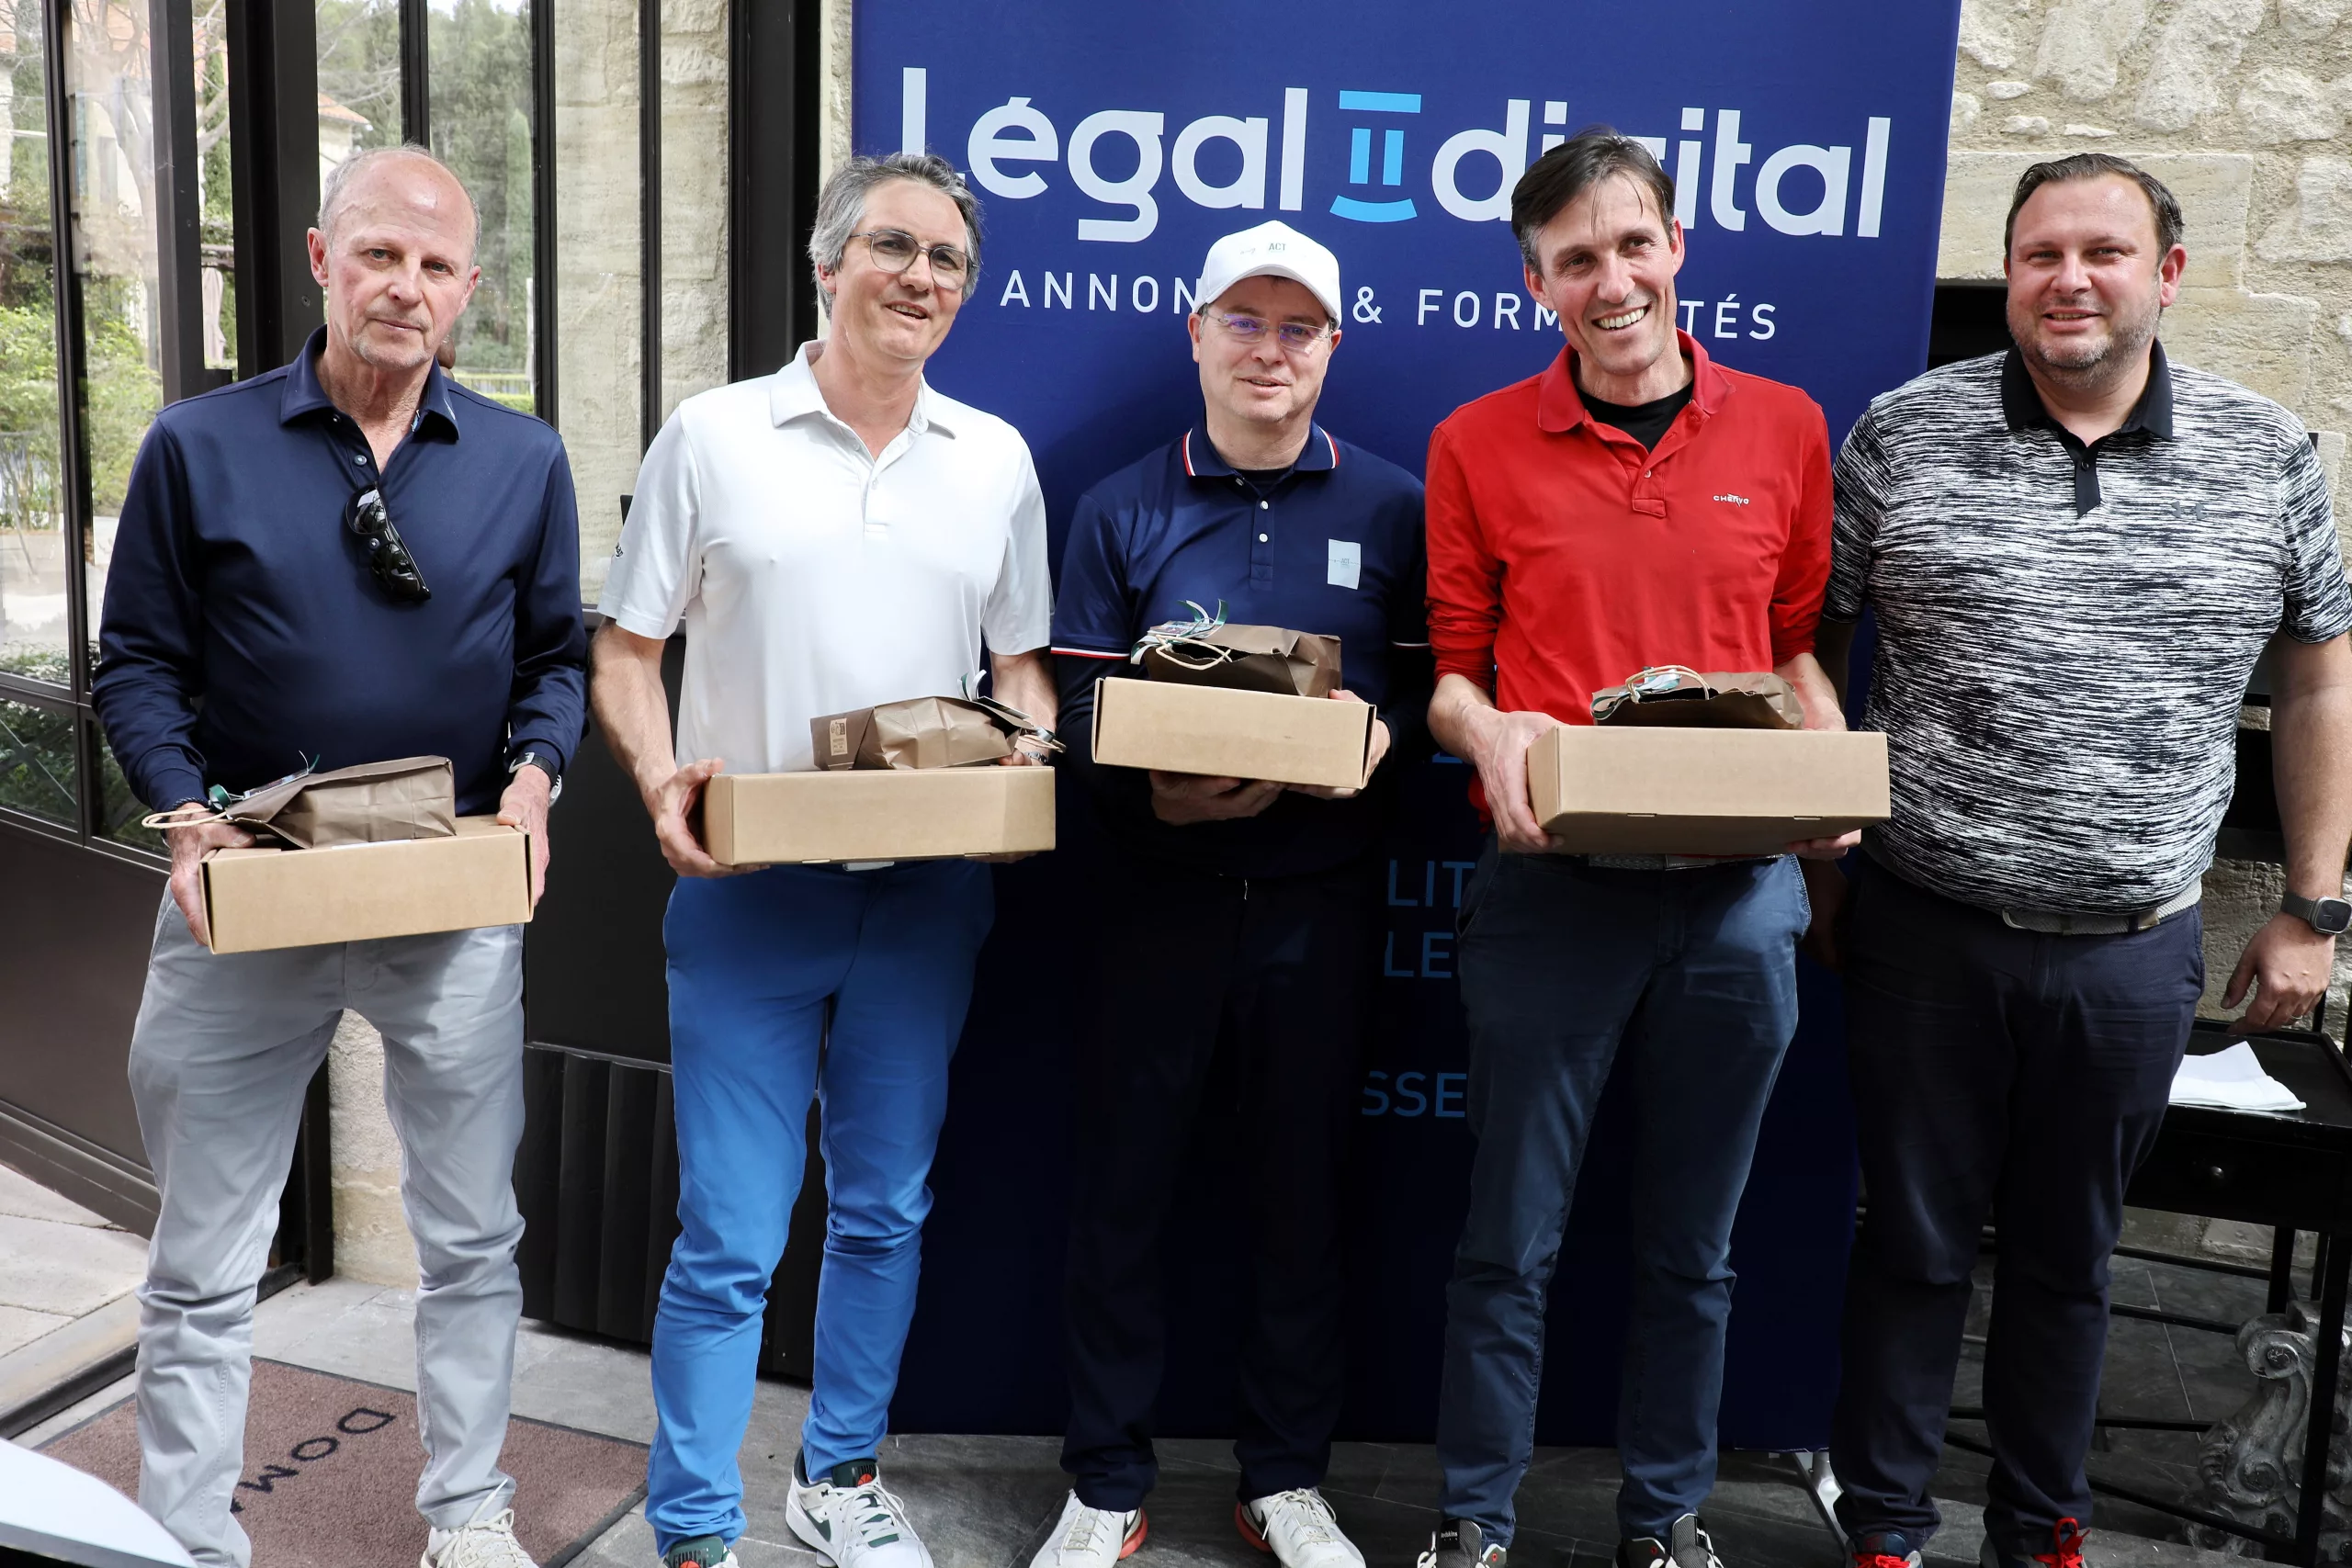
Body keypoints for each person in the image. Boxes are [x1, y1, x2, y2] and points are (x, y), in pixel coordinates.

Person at [1814, 152, 2352, 1568]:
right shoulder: (1900, 436)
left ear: (2165, 273)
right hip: (1922, 925)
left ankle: (2040, 1526)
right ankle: (1884, 1526)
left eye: (2104, 252)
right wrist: (1817, 858)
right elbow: (1811, 643)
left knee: (2069, 1257)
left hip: (2133, 945)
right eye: (2041, 253)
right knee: (1912, 1243)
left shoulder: (2266, 452)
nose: (2070, 279)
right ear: (2010, 272)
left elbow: (2319, 680)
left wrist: (2313, 907)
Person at [93, 145, 585, 1568]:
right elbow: (138, 662)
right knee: (203, 1255)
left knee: (473, 1237)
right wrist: (186, 814)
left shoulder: (524, 460)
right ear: (323, 258)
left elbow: (555, 658)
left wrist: (537, 781)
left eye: (435, 265)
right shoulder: (199, 446)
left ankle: (468, 1513)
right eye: (380, 253)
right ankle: (187, 1539)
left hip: (446, 890)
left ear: (468, 288)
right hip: (249, 888)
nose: (405, 287)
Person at [590, 151, 1056, 1568]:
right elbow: (626, 650)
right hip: (749, 894)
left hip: (926, 896)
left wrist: (1027, 749)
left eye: (949, 260)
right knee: (732, 1233)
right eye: (894, 247)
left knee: (885, 1208)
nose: (922, 277)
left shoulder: (995, 460)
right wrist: (661, 780)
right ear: (829, 262)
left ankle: (839, 1472)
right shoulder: (715, 435)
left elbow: (1021, 668)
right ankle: (694, 1522)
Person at [1418, 130, 1852, 1568]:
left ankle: (1666, 1520)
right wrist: (1487, 735)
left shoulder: (1785, 426)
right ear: (1535, 284)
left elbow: (1792, 647)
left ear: (1678, 246)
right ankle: (1473, 1522)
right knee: (1508, 1239)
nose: (1611, 281)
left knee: (1695, 1248)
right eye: (1575, 260)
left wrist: (1832, 764)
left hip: (1738, 902)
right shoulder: (1476, 441)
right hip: (1553, 889)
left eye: (1631, 245)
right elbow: (1455, 670)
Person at [1032, 220, 1430, 1568]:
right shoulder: (1119, 506)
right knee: (1122, 1197)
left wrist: (1367, 751)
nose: (1271, 350)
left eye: (1297, 327)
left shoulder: (1394, 505)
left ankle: (1286, 1480)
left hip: (1322, 906)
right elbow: (1077, 709)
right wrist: (1154, 793)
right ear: (1195, 332)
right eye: (1245, 322)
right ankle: (1105, 1480)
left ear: (1333, 348)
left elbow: (1426, 700)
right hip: (1156, 901)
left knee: (1303, 1200)